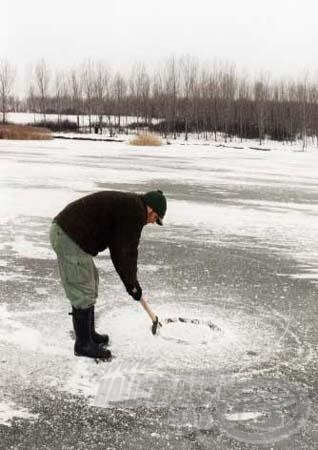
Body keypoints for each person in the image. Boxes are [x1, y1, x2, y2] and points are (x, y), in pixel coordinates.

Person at [49, 190, 167, 360]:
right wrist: (132, 284)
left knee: (91, 283)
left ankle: (89, 335)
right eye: (156, 219)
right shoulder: (134, 212)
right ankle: (83, 345)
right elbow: (124, 251)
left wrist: (131, 283)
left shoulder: (132, 207)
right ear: (152, 211)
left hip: (72, 236)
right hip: (69, 236)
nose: (152, 222)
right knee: (82, 289)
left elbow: (121, 249)